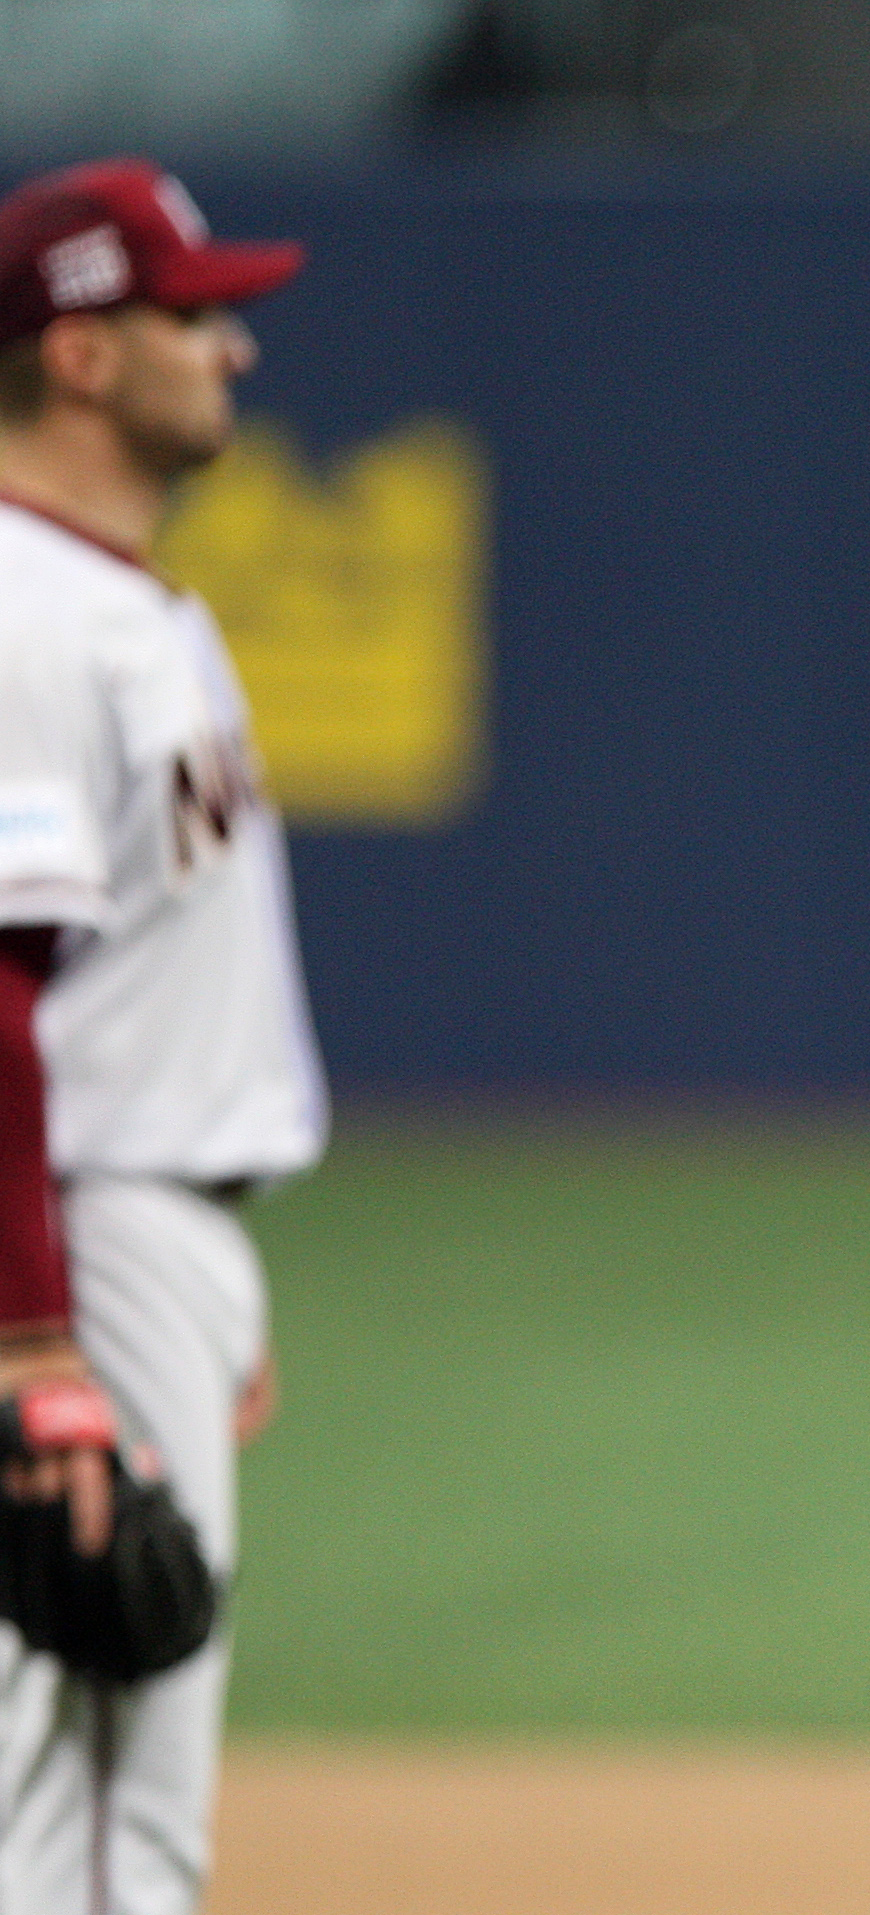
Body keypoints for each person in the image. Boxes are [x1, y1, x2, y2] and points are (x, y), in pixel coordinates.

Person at [0, 157, 325, 1911]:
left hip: (146, 1230)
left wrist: (200, 1293)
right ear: (80, 353)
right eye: (193, 313)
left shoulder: (121, 602)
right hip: (82, 1225)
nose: (232, 351)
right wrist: (39, 1334)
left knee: (99, 1780)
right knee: (100, 1785)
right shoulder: (25, 615)